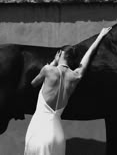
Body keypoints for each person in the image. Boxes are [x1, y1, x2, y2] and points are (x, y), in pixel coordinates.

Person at [24, 27, 111, 155]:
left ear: (61, 54)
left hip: (39, 130)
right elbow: (88, 56)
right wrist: (100, 37)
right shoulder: (76, 76)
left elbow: (34, 83)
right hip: (57, 134)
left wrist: (53, 62)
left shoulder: (48, 70)